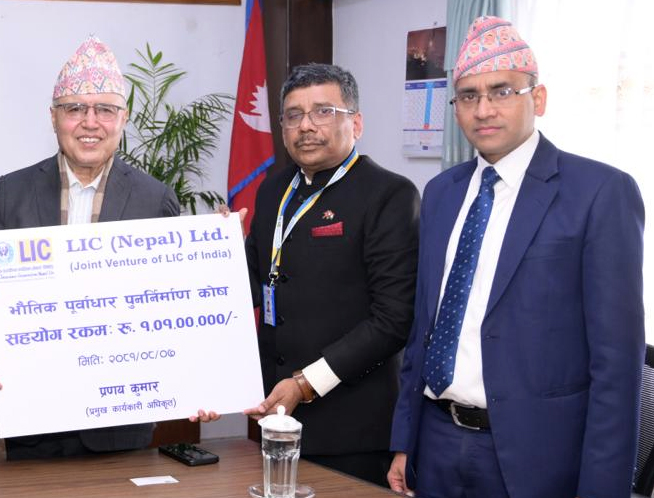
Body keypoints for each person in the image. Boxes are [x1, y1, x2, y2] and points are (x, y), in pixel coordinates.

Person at [387, 17, 644, 498]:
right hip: (436, 442)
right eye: (468, 96)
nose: (483, 109)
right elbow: (424, 326)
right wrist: (405, 439)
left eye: (502, 91)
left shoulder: (600, 193)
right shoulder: (441, 193)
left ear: (538, 99)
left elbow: (616, 366)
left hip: (538, 458)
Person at [0, 36, 180, 460]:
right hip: (33, 415)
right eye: (75, 109)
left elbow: (174, 304)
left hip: (120, 420)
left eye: (105, 109)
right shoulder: (13, 191)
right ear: (53, 117)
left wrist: (215, 253)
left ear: (123, 118)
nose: (90, 122)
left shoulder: (155, 199)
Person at [239, 63, 420, 486]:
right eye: (294, 115)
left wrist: (304, 384)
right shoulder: (274, 189)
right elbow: (252, 282)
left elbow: (394, 320)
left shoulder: (390, 195)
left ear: (356, 123)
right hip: (273, 418)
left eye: (323, 112)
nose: (306, 126)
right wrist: (216, 249)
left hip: (352, 428)